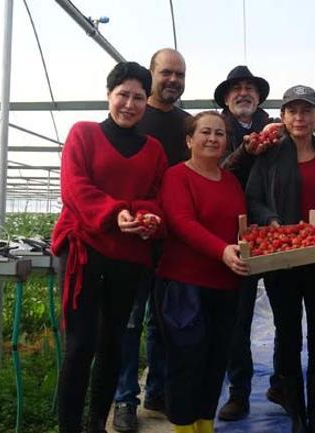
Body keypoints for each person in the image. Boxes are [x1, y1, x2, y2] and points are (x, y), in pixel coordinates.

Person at [52, 61, 168, 433]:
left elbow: (155, 197)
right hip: (84, 251)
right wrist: (115, 212)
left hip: (127, 257)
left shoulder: (153, 150)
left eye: (138, 97)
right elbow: (74, 189)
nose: (130, 104)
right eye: (123, 95)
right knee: (80, 345)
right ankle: (69, 427)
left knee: (113, 344)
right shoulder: (83, 134)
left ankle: (95, 425)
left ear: (146, 102)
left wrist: (149, 220)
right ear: (109, 95)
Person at [154, 111, 249, 433]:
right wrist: (222, 251)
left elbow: (238, 228)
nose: (212, 139)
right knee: (186, 362)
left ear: (227, 142)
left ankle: (205, 425)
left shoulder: (232, 181)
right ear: (189, 139)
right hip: (184, 285)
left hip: (225, 284)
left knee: (215, 360)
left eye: (219, 134)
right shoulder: (177, 176)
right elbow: (182, 223)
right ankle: (183, 426)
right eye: (205, 132)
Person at [113, 47, 191, 433]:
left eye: (180, 74)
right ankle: (125, 397)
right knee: (129, 320)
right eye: (167, 73)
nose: (173, 80)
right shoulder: (134, 116)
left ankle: (157, 389)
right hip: (133, 237)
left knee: (164, 320)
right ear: (151, 73)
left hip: (173, 238)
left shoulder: (188, 123)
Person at [245, 85, 315, 433]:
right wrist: (271, 220)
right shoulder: (269, 155)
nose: (300, 117)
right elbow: (252, 197)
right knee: (289, 333)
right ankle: (296, 413)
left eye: (307, 111)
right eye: (293, 111)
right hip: (282, 257)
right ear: (281, 117)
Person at [214, 65, 283, 421]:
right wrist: (246, 150)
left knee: (286, 313)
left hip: (275, 233)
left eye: (250, 88)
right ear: (226, 98)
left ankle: (282, 385)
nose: (243, 93)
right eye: (236, 88)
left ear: (258, 97)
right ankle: (238, 393)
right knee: (237, 319)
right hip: (232, 236)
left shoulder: (277, 127)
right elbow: (215, 172)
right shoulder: (215, 128)